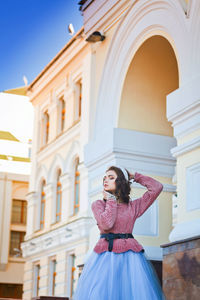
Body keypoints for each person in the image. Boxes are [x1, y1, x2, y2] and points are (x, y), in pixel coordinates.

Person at [73, 166, 166, 300]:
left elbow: (157, 187)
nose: (106, 180)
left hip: (131, 258)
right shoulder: (98, 204)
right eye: (105, 178)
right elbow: (107, 224)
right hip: (104, 257)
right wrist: (111, 199)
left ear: (120, 182)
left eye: (111, 177)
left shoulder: (133, 206)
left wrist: (135, 176)